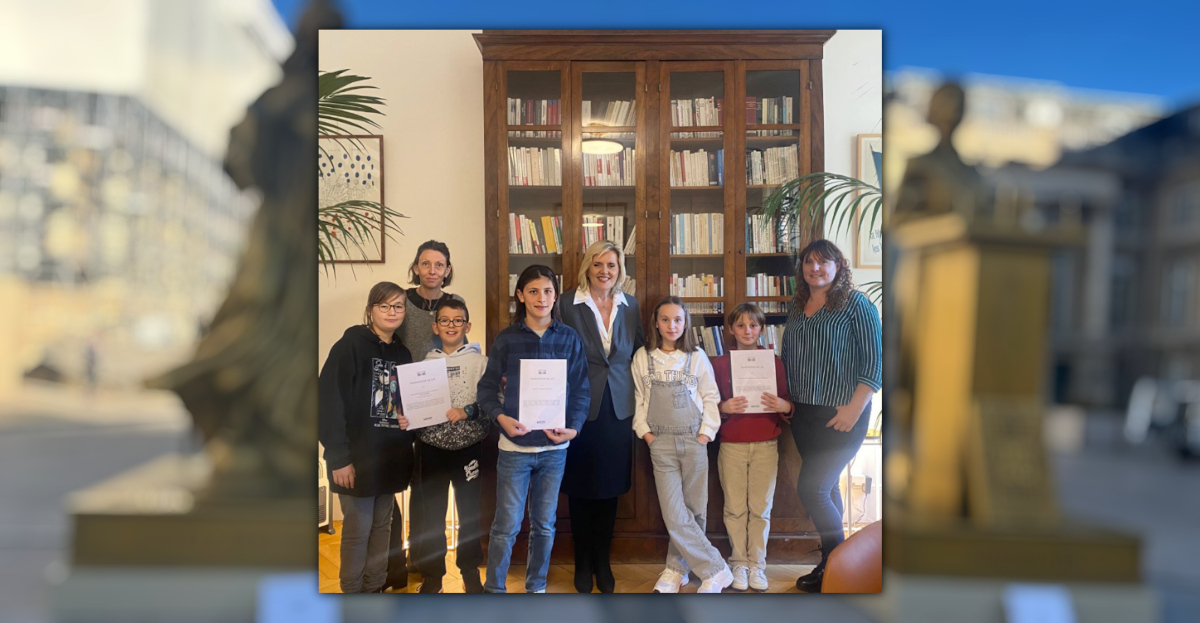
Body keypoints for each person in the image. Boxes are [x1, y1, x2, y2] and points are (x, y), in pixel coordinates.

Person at [477, 264, 590, 593]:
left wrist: (575, 429)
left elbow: (581, 390)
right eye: (534, 291)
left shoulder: (569, 339)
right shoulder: (507, 339)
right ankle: (494, 590)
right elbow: (486, 390)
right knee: (506, 526)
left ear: (556, 295)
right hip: (514, 450)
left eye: (548, 291)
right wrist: (500, 417)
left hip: (554, 450)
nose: (542, 298)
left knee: (545, 525)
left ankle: (536, 587)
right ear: (520, 295)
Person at [780, 240, 882, 593]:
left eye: (824, 262)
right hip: (804, 416)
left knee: (813, 489)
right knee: (828, 489)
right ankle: (837, 566)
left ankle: (835, 568)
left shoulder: (856, 304)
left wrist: (855, 409)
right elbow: (788, 357)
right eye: (809, 261)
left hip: (843, 416)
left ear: (839, 265)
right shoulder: (797, 307)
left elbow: (874, 364)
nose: (815, 268)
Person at [558, 240, 644, 593]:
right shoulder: (567, 302)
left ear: (620, 269)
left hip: (620, 407)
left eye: (611, 265)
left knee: (609, 489)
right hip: (579, 406)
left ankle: (603, 562)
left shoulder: (631, 305)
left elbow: (637, 351)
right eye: (598, 265)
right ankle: (582, 562)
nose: (605, 271)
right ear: (587, 268)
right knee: (580, 488)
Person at [318, 282, 414, 593]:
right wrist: (339, 457)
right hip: (355, 460)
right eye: (384, 306)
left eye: (398, 306)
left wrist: (407, 418)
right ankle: (352, 593)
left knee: (383, 528)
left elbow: (404, 404)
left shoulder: (403, 353)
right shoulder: (350, 346)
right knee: (357, 531)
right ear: (370, 309)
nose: (391, 312)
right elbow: (329, 402)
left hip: (390, 459)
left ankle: (374, 589)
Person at [633, 296, 733, 594]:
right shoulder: (643, 356)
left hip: (694, 439)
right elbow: (638, 400)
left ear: (685, 323)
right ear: (656, 323)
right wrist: (646, 434)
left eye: (677, 319)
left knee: (694, 509)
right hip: (659, 442)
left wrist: (705, 434)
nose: (671, 325)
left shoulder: (697, 356)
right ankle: (716, 569)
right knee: (674, 512)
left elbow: (710, 397)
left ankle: (677, 569)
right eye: (665, 319)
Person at [391, 239, 464, 587]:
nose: (432, 270)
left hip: (443, 406)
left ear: (447, 270)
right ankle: (412, 556)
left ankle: (423, 561)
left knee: (429, 490)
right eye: (426, 264)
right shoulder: (402, 302)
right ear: (416, 267)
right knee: (414, 485)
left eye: (439, 265)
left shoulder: (454, 305)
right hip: (409, 400)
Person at [710, 303, 792, 592]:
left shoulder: (775, 362)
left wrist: (785, 405)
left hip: (766, 443)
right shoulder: (719, 363)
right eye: (741, 325)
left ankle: (757, 564)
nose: (747, 331)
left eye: (753, 325)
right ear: (731, 330)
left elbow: (787, 402)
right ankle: (738, 562)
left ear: (761, 329)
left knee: (761, 508)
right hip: (731, 444)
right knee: (734, 507)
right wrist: (723, 407)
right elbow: (708, 404)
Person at [410, 299, 490, 593]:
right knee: (432, 515)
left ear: (467, 326)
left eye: (458, 321)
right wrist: (409, 418)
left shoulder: (482, 363)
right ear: (435, 326)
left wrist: (467, 411)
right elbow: (414, 406)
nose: (452, 326)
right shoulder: (423, 365)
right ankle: (432, 576)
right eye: (445, 320)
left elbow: (494, 404)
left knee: (470, 514)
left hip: (469, 450)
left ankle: (470, 572)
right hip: (431, 450)